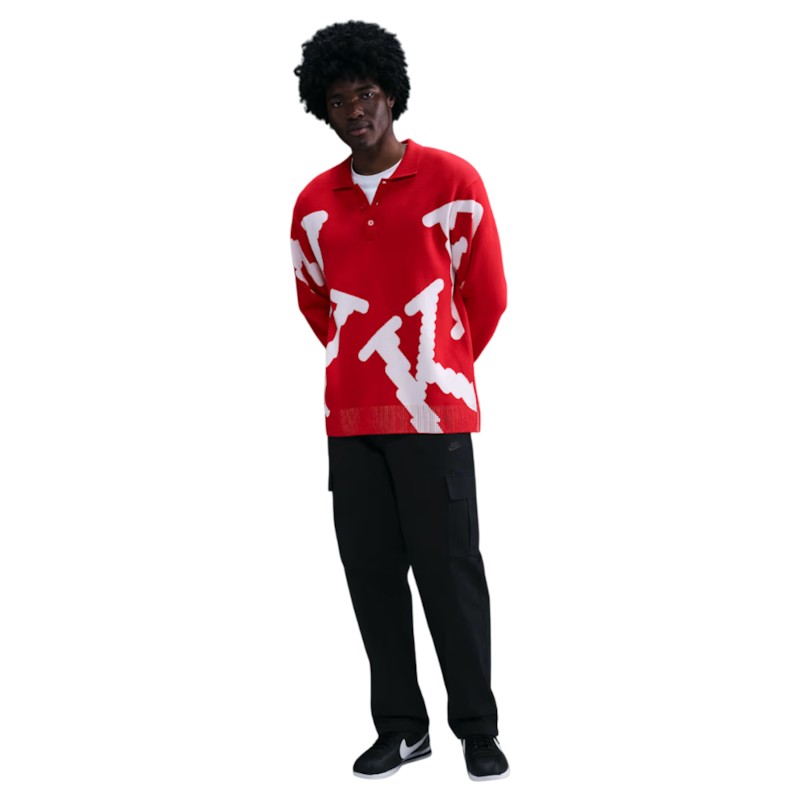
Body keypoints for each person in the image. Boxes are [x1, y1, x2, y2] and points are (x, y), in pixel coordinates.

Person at [290, 20, 510, 782]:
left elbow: (487, 294)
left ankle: (477, 728)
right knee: (372, 576)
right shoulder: (313, 205)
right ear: (322, 109)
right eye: (337, 99)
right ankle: (402, 729)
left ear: (391, 93)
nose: (354, 109)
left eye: (365, 93)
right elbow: (315, 302)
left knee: (450, 573)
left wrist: (435, 367)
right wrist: (365, 371)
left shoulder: (452, 182)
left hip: (432, 417)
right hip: (351, 422)